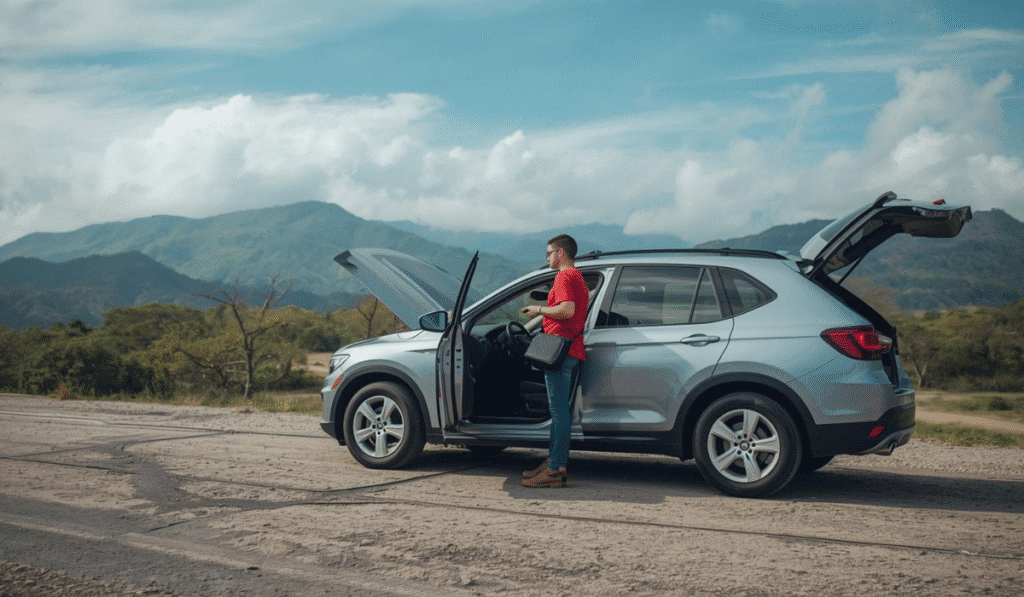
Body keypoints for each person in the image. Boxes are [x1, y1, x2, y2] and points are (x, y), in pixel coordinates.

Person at [519, 234, 588, 488]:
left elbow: (567, 310)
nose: (547, 258)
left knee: (559, 413)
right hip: (571, 349)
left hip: (560, 351)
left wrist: (538, 310)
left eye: (548, 253)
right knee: (560, 411)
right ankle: (552, 462)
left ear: (560, 252)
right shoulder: (577, 277)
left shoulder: (564, 276)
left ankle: (555, 469)